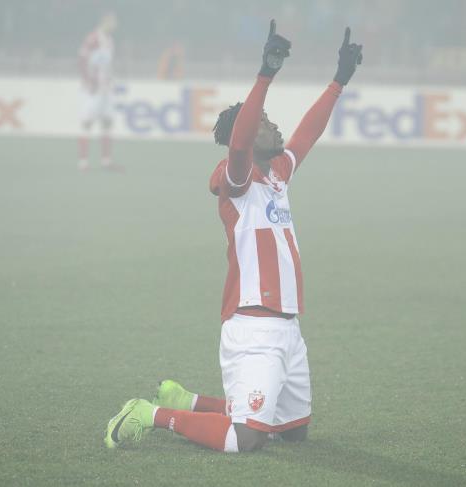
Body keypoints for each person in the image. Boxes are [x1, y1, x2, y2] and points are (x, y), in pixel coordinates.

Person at [105, 21, 363, 452]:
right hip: (254, 326)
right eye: (264, 123)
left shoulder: (277, 173)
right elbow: (240, 144)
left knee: (292, 432)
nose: (274, 127)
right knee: (245, 439)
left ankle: (188, 401)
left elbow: (307, 133)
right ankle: (150, 414)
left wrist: (339, 81)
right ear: (243, 136)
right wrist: (266, 74)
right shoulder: (237, 179)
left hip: (288, 328)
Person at [77, 12, 122, 172]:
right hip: (93, 88)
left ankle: (106, 161)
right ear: (105, 21)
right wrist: (88, 80)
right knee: (87, 122)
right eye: (113, 21)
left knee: (107, 122)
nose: (115, 24)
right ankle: (83, 163)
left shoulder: (110, 40)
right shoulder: (93, 38)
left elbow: (107, 63)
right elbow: (82, 58)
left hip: (106, 88)